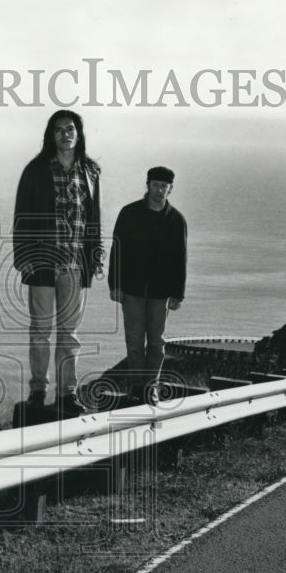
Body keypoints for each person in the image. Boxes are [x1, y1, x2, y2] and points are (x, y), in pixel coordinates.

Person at [13, 110, 102, 417]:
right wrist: (22, 257)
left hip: (76, 265)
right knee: (40, 331)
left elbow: (94, 219)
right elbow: (21, 216)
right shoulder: (35, 170)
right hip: (42, 264)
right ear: (51, 135)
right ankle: (38, 391)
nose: (66, 134)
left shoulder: (90, 171)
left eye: (71, 128)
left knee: (69, 334)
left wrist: (96, 255)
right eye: (59, 129)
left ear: (79, 134)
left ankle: (67, 393)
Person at [108, 167, 187, 404]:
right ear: (147, 185)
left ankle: (151, 387)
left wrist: (177, 294)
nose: (159, 190)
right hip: (131, 290)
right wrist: (115, 284)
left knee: (156, 342)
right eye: (155, 185)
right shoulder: (129, 213)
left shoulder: (176, 220)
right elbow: (116, 250)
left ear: (170, 189)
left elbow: (180, 259)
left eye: (164, 186)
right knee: (134, 342)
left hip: (161, 293)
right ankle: (136, 387)